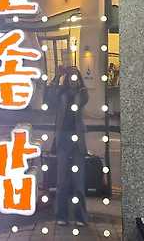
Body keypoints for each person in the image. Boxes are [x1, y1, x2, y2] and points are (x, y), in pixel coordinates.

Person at [54, 66, 89, 226]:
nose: (73, 79)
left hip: (77, 141)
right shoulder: (61, 94)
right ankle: (61, 216)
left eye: (76, 76)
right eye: (70, 76)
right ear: (67, 79)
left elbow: (84, 99)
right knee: (61, 181)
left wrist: (78, 87)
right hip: (63, 139)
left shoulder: (82, 93)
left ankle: (80, 217)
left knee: (78, 182)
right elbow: (50, 98)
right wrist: (57, 77)